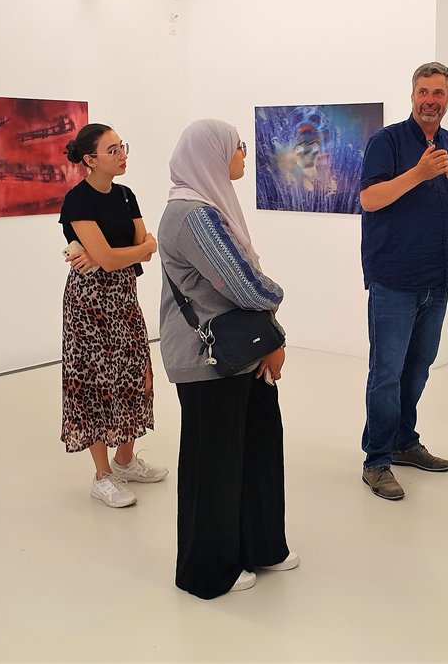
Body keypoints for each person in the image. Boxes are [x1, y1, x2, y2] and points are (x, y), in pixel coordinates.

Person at [157, 120, 294, 598]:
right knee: (213, 463)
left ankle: (260, 545)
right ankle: (206, 569)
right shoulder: (193, 214)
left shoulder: (209, 206)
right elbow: (242, 284)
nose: (243, 156)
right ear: (213, 154)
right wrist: (277, 298)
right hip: (207, 359)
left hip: (237, 352)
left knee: (256, 446)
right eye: (238, 147)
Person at [358, 62, 448, 500]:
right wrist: (418, 174)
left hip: (438, 277)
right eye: (424, 92)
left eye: (439, 93)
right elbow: (369, 199)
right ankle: (376, 459)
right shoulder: (386, 142)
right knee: (387, 372)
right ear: (413, 95)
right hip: (393, 278)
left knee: (418, 367)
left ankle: (403, 441)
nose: (431, 100)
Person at [60, 123, 166, 508]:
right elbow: (115, 255)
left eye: (122, 146)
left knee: (135, 373)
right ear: (90, 160)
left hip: (123, 298)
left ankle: (124, 461)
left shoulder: (125, 195)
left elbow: (145, 244)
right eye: (112, 150)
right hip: (89, 306)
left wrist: (118, 253)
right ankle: (102, 475)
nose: (122, 154)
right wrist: (127, 252)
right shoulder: (78, 201)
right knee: (96, 382)